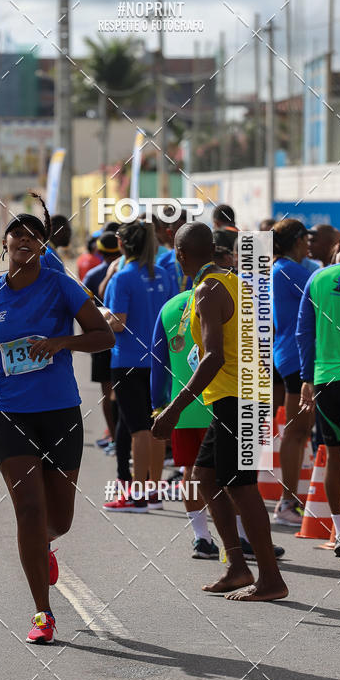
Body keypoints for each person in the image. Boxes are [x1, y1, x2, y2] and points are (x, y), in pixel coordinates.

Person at [0, 198, 113, 643]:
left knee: (59, 519)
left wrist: (61, 343)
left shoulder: (61, 286)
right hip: (8, 412)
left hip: (59, 411)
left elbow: (103, 336)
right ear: (5, 244)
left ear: (42, 245)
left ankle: (44, 544)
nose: (25, 239)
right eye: (17, 233)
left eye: (33, 235)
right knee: (29, 511)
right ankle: (43, 613)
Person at [152, 222, 288, 602]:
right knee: (205, 477)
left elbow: (213, 357)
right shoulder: (233, 282)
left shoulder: (207, 289)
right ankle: (236, 567)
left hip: (238, 399)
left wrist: (174, 410)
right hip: (241, 396)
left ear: (180, 255)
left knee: (242, 486)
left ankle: (271, 579)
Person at [102, 220, 172, 511]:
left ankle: (137, 494)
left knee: (138, 430)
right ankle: (153, 491)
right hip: (160, 360)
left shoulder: (122, 277)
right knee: (156, 427)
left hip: (128, 360)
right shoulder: (165, 274)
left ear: (122, 244)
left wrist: (101, 317)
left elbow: (118, 322)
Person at [150, 287, 217, 557]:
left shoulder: (170, 306)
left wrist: (158, 404)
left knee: (190, 471)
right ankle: (241, 538)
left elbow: (158, 360)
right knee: (230, 474)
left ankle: (201, 537)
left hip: (182, 407)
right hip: (220, 403)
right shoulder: (229, 296)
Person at [297, 255, 340, 563]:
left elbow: (304, 332)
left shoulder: (318, 278)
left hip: (326, 378)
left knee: (334, 453)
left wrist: (306, 377)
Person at [271, 219, 315, 525]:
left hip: (289, 354)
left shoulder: (280, 268)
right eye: (306, 240)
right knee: (297, 432)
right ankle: (287, 503)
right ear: (298, 241)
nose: (309, 245)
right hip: (298, 356)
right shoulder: (290, 270)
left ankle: (288, 501)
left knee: (299, 432)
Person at [83, 231, 122, 449]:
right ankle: (125, 438)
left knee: (107, 393)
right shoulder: (125, 271)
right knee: (126, 392)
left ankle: (115, 438)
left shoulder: (91, 276)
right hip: (123, 341)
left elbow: (82, 311)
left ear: (99, 250)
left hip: (99, 339)